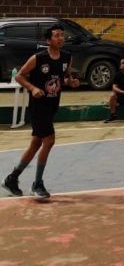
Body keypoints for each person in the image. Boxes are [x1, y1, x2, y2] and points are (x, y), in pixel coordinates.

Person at [1, 24, 80, 200]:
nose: (61, 38)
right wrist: (33, 88)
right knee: (49, 140)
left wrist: (71, 82)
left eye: (62, 35)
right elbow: (20, 76)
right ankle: (37, 184)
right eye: (57, 35)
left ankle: (12, 179)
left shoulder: (67, 57)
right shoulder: (38, 58)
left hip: (52, 104)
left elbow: (66, 78)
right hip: (38, 106)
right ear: (48, 40)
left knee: (37, 143)